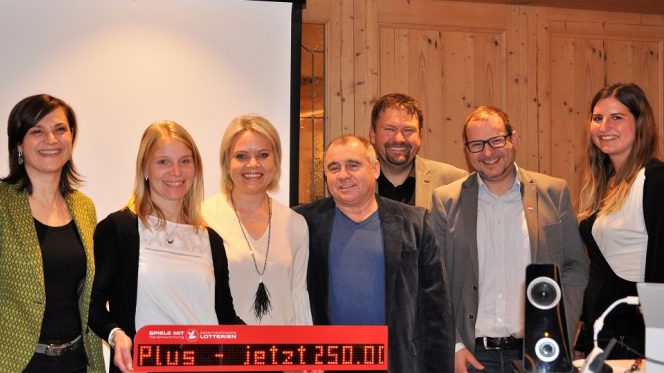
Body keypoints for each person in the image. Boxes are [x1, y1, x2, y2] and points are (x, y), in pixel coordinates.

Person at [0, 94, 103, 372]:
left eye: (60, 129)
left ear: (72, 137)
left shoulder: (83, 207)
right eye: (36, 131)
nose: (51, 140)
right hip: (15, 365)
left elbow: (86, 299)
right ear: (19, 143)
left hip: (77, 362)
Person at [431, 106, 588, 373]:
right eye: (477, 145)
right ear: (467, 151)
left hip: (539, 349)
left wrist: (561, 329)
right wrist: (455, 345)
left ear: (513, 140)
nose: (488, 153)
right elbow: (435, 280)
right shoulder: (446, 200)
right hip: (472, 355)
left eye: (495, 141)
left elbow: (576, 267)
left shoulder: (554, 193)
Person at [89, 120, 244, 373]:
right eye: (163, 161)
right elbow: (94, 308)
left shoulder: (211, 240)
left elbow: (225, 317)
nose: (176, 172)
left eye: (185, 161)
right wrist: (116, 335)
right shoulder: (119, 229)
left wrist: (277, 354)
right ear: (145, 169)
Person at [294, 135, 453, 373]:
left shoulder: (415, 223)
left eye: (353, 165)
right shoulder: (303, 223)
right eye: (333, 168)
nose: (343, 175)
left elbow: (436, 310)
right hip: (327, 363)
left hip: (397, 363)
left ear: (375, 168)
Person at [574, 82, 664, 358]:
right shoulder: (603, 184)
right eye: (598, 118)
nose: (604, 127)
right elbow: (599, 268)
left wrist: (657, 351)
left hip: (636, 336)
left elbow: (661, 269)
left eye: (617, 117)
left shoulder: (655, 180)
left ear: (640, 123)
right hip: (602, 329)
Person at [203, 115, 311, 325]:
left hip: (282, 353)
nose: (253, 164)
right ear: (226, 162)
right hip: (222, 352)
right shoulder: (203, 217)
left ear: (276, 160)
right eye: (241, 156)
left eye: (263, 155)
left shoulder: (295, 224)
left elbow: (299, 298)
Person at [369, 93, 466, 209]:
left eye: (408, 130)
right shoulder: (354, 182)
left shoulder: (454, 181)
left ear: (420, 135)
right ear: (373, 134)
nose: (399, 139)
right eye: (390, 129)